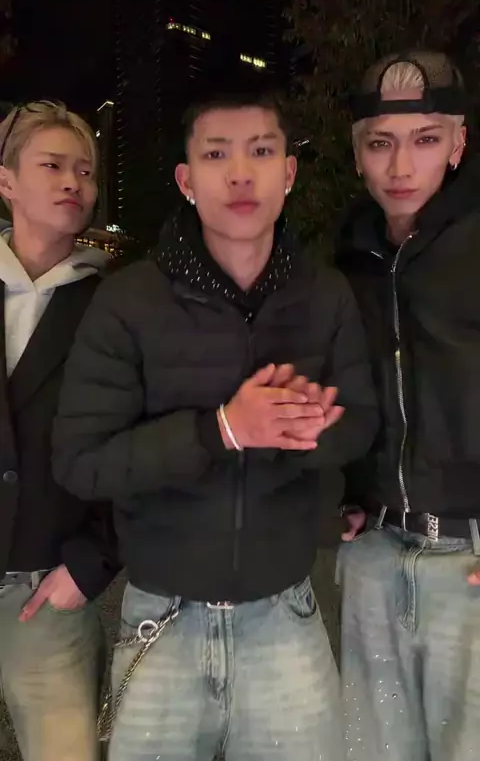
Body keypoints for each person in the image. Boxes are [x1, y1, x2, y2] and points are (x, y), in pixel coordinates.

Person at [53, 91, 378, 761]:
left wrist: (309, 429)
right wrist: (222, 430)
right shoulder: (129, 300)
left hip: (286, 616)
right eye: (216, 154)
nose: (240, 174)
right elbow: (82, 460)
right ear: (187, 179)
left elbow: (360, 424)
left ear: (289, 172)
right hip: (162, 618)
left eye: (261, 152)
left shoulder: (326, 295)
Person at [335, 50, 480, 761]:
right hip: (375, 556)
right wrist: (341, 492)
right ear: (357, 153)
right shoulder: (347, 259)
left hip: (471, 561)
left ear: (457, 144)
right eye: (380, 143)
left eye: (425, 139)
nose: (401, 165)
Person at [0, 100, 119, 761]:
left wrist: (90, 563)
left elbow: (139, 448)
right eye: (52, 165)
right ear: (6, 181)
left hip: (46, 591)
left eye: (85, 170)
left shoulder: (114, 307)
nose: (74, 181)